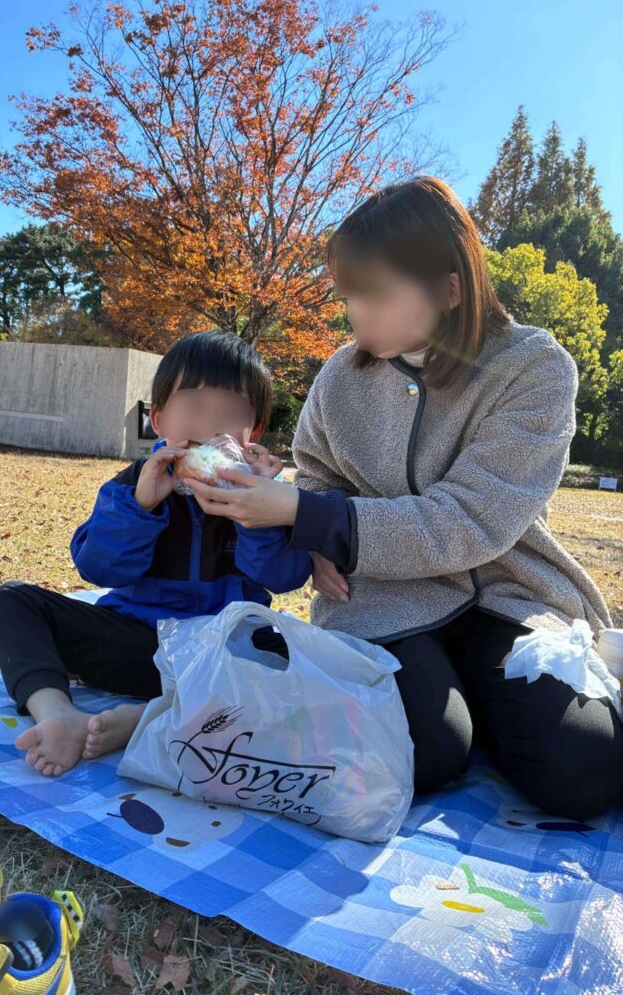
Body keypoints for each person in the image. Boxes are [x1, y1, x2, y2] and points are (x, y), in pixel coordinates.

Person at [186, 176, 623, 821]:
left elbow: (474, 518)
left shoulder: (533, 367)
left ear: (450, 288)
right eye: (349, 296)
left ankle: (484, 699)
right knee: (429, 751)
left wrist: (309, 517)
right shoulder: (341, 375)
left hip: (511, 593)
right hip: (382, 597)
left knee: (584, 768)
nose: (356, 314)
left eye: (377, 295)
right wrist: (315, 522)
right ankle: (461, 713)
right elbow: (316, 471)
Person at [0, 331, 311, 776]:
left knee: (299, 666)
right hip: (137, 643)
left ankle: (142, 720)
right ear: (158, 420)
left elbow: (287, 577)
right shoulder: (132, 485)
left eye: (232, 413)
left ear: (252, 431)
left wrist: (254, 513)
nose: (209, 426)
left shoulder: (262, 496)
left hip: (222, 653)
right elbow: (97, 567)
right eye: (194, 407)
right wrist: (141, 507)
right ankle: (55, 712)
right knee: (14, 600)